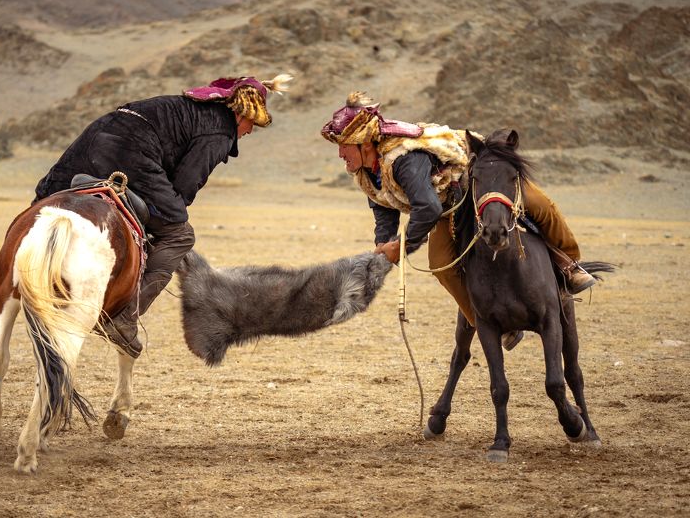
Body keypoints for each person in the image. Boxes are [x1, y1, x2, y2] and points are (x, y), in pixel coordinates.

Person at [34, 74, 292, 357]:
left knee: (44, 206)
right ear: (240, 113)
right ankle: (124, 315)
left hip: (98, 134)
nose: (250, 131)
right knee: (180, 234)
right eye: (251, 123)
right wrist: (170, 214)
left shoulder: (193, 111)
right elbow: (185, 183)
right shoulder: (219, 130)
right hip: (133, 150)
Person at [320, 92, 596, 351]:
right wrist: (384, 241)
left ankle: (570, 265)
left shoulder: (403, 159)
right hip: (447, 205)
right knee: (441, 264)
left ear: (365, 143)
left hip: (477, 180)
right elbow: (382, 202)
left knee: (541, 206)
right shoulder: (366, 170)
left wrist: (401, 247)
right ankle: (484, 321)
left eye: (344, 147)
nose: (340, 154)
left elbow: (426, 208)